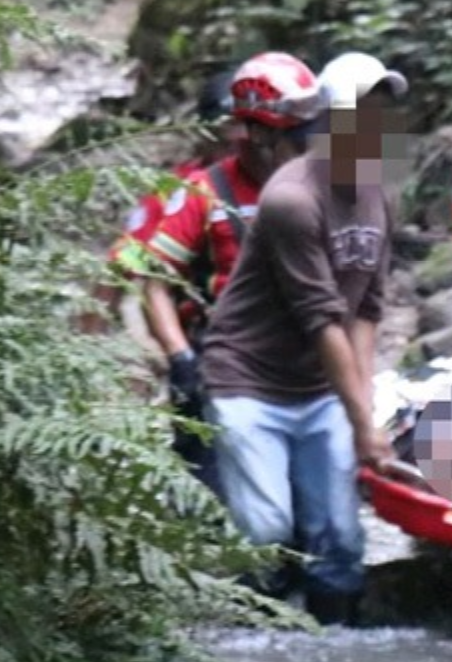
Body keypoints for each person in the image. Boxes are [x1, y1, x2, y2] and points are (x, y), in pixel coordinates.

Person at [200, 51, 407, 625]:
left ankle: (334, 633)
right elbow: (320, 318)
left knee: (339, 537)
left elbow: (366, 306)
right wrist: (363, 423)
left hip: (321, 388)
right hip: (247, 381)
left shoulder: (383, 194)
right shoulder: (291, 199)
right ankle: (258, 631)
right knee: (269, 530)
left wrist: (364, 409)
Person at [142, 52, 324, 496]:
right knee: (215, 494)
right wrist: (179, 357)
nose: (238, 137)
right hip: (218, 361)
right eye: (230, 128)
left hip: (299, 361)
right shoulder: (198, 190)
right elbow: (150, 279)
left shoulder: (319, 183)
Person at [79, 69, 238, 335]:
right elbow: (122, 263)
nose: (240, 151)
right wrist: (89, 350)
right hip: (204, 335)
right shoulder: (175, 193)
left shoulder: (292, 181)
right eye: (227, 141)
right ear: (205, 136)